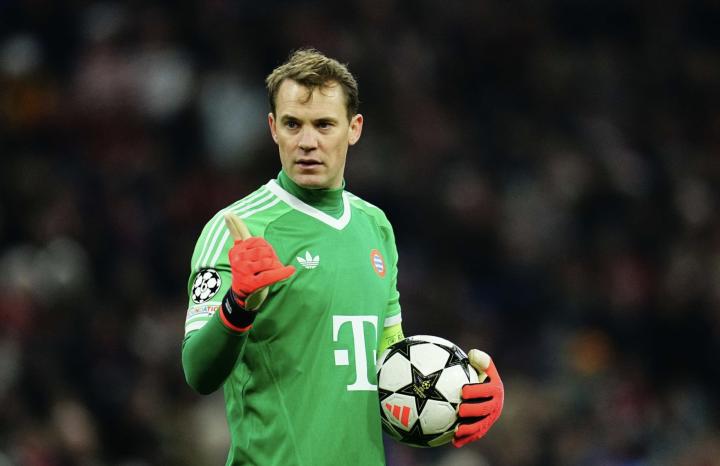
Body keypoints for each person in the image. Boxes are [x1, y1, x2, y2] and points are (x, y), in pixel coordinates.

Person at [181, 48, 504, 465]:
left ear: (354, 129)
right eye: (293, 124)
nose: (307, 142)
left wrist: (461, 395)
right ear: (273, 128)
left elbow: (385, 379)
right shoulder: (237, 228)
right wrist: (237, 306)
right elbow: (198, 373)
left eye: (324, 125)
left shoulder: (375, 227)